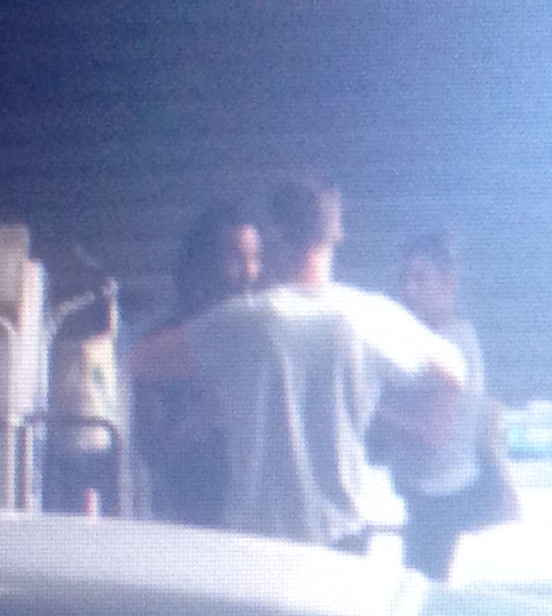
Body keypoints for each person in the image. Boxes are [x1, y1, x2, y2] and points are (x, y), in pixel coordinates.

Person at [126, 175, 464, 552]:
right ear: (336, 237)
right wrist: (429, 428)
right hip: (344, 533)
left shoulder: (242, 321)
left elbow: (139, 359)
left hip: (258, 538)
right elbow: (453, 369)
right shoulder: (370, 316)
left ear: (275, 238)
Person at [137, 203, 260, 527]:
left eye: (254, 258)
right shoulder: (163, 345)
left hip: (261, 522)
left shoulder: (262, 339)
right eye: (235, 258)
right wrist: (202, 418)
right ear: (202, 264)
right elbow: (149, 451)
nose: (249, 273)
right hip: (189, 522)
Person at [385, 227, 492, 580]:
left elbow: (432, 434)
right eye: (404, 280)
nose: (407, 291)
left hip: (439, 498)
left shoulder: (447, 346)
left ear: (448, 284)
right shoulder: (440, 335)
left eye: (420, 279)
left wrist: (373, 411)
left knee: (421, 593)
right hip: (428, 492)